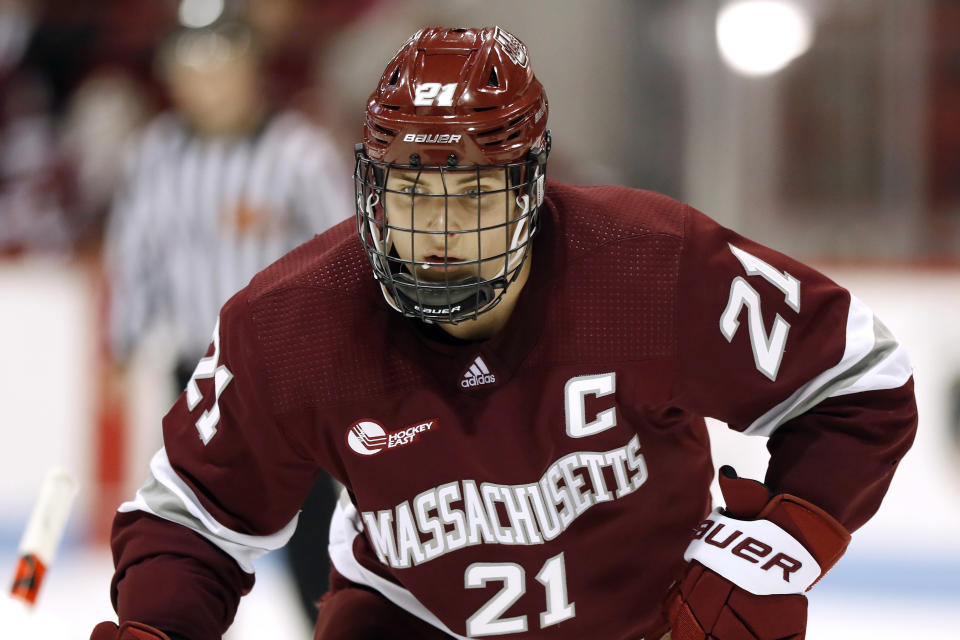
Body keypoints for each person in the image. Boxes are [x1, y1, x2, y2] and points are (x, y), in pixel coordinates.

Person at [91, 26, 917, 640]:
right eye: (413, 193)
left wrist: (775, 546)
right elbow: (189, 520)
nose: (440, 230)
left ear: (532, 185)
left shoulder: (649, 265)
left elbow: (862, 383)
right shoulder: (288, 323)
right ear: (371, 189)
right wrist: (156, 630)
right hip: (410, 617)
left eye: (475, 193)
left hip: (647, 623)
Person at [101, 20, 348, 626]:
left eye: (220, 63)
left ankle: (331, 627)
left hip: (291, 377)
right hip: (200, 373)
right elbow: (135, 254)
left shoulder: (297, 154)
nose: (207, 81)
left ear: (251, 68)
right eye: (192, 66)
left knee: (313, 523)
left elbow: (347, 255)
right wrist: (122, 343)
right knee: (194, 520)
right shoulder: (155, 155)